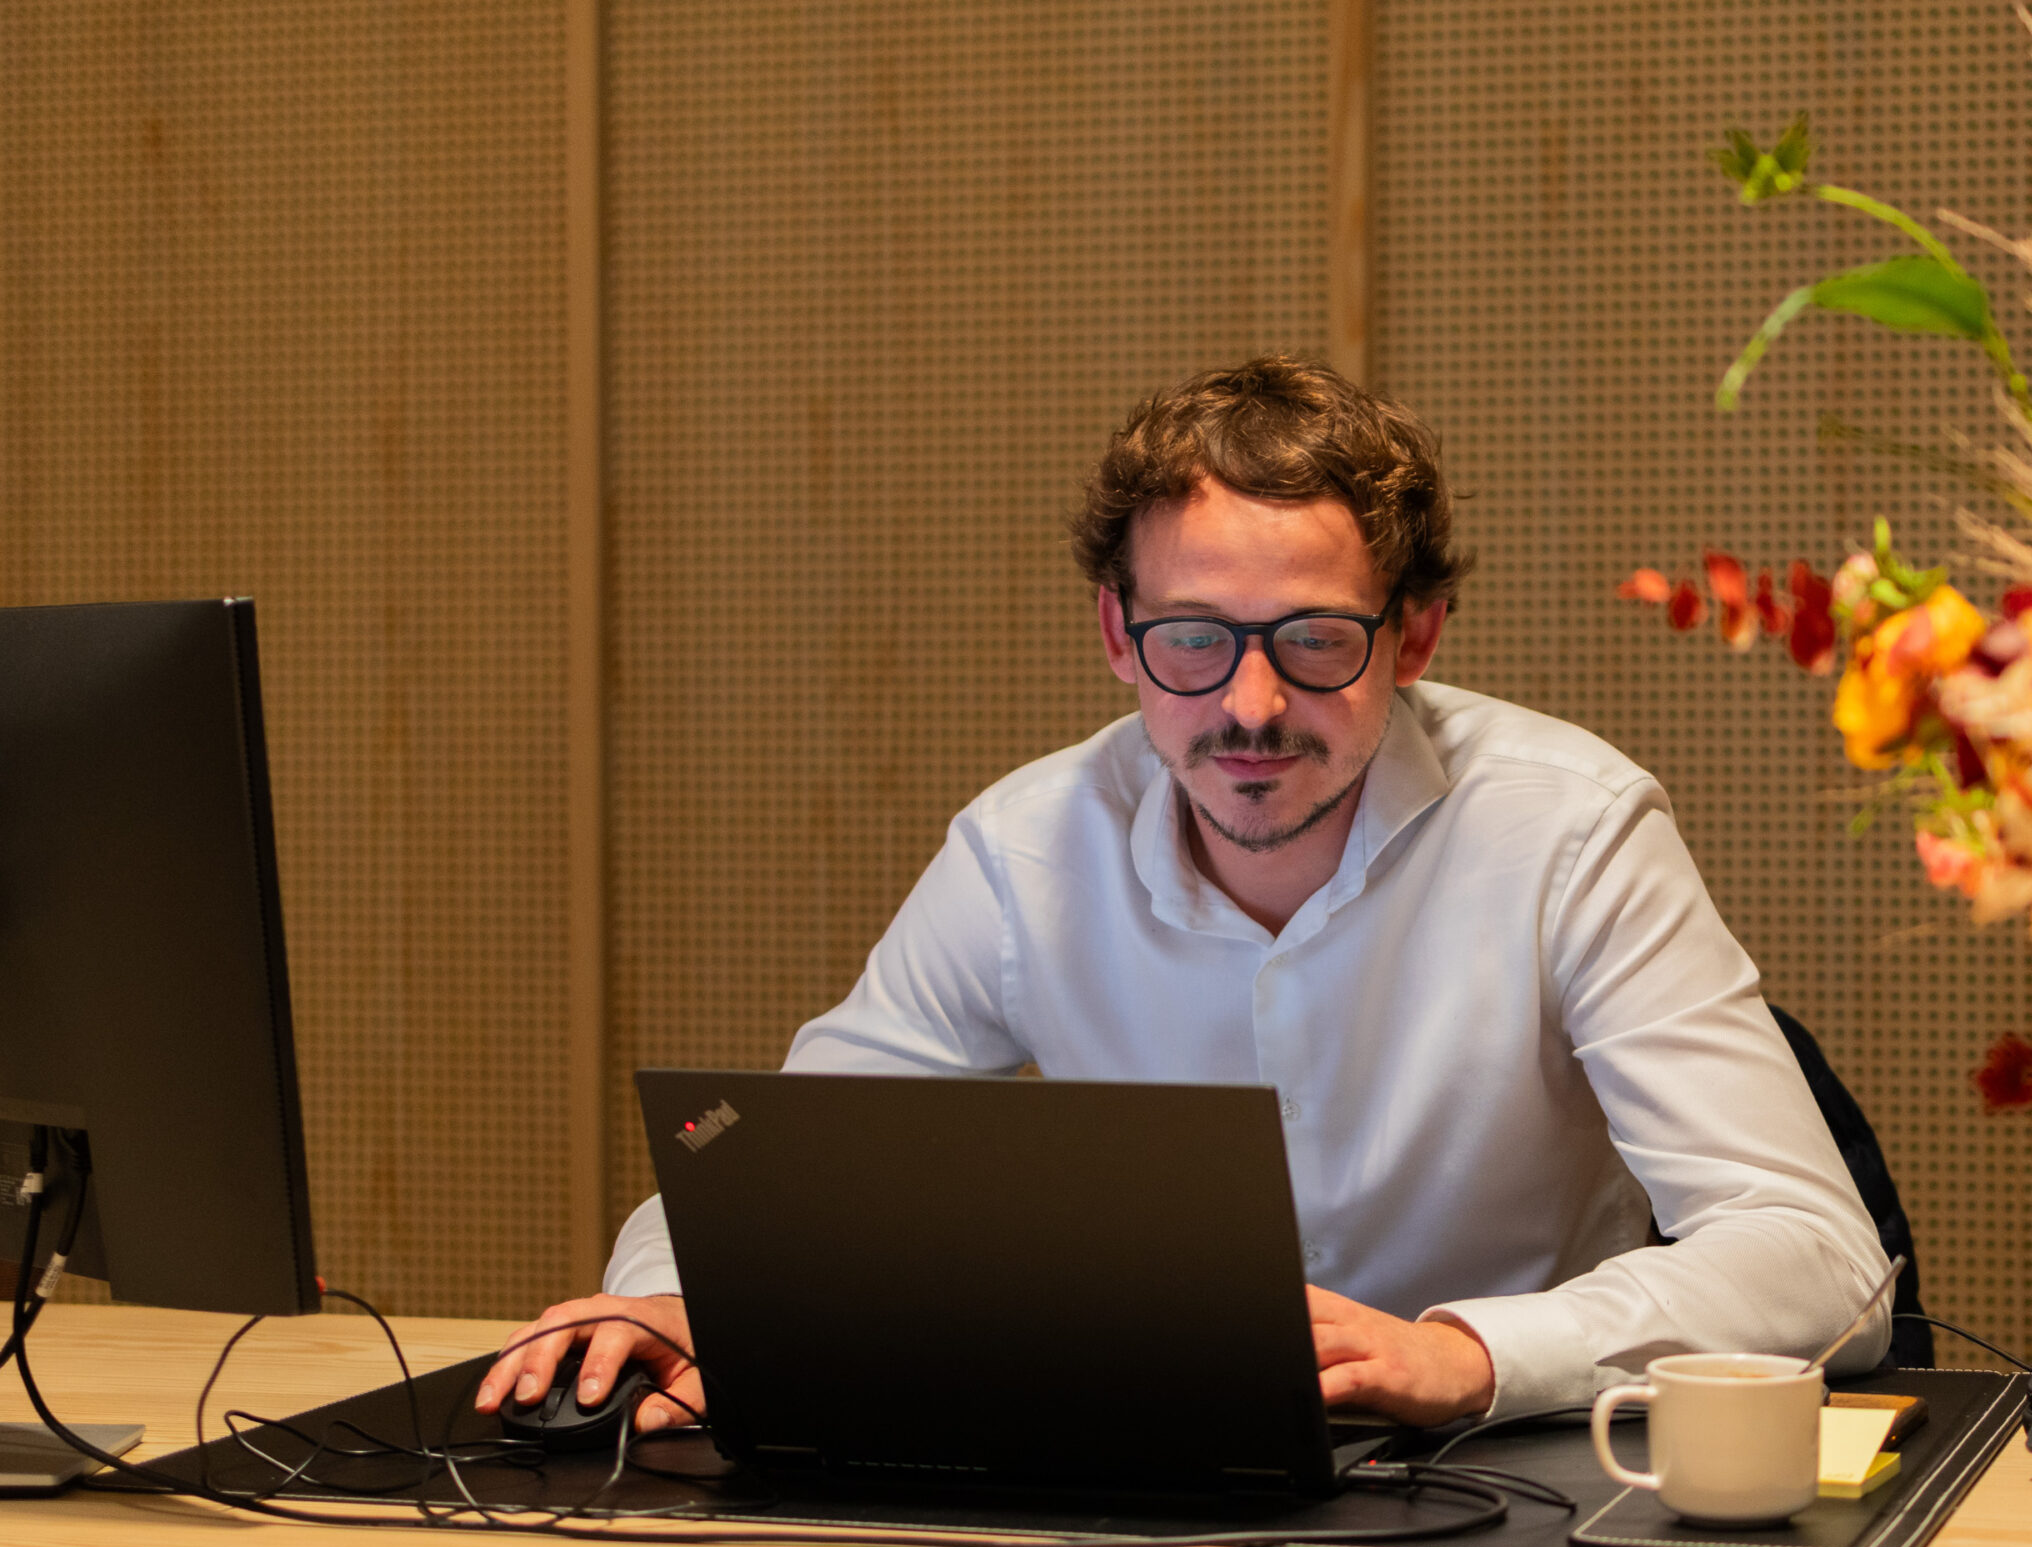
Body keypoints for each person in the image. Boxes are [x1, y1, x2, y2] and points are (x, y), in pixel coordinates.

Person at [475, 356, 1892, 1434]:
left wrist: (1465, 1353)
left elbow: (1821, 1260)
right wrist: (676, 1298)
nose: (1251, 705)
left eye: (1317, 641)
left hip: (1518, 1480)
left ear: (1415, 637)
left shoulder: (1573, 831)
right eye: (1195, 640)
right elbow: (790, 1161)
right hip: (1149, 1483)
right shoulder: (1026, 851)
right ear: (1118, 632)